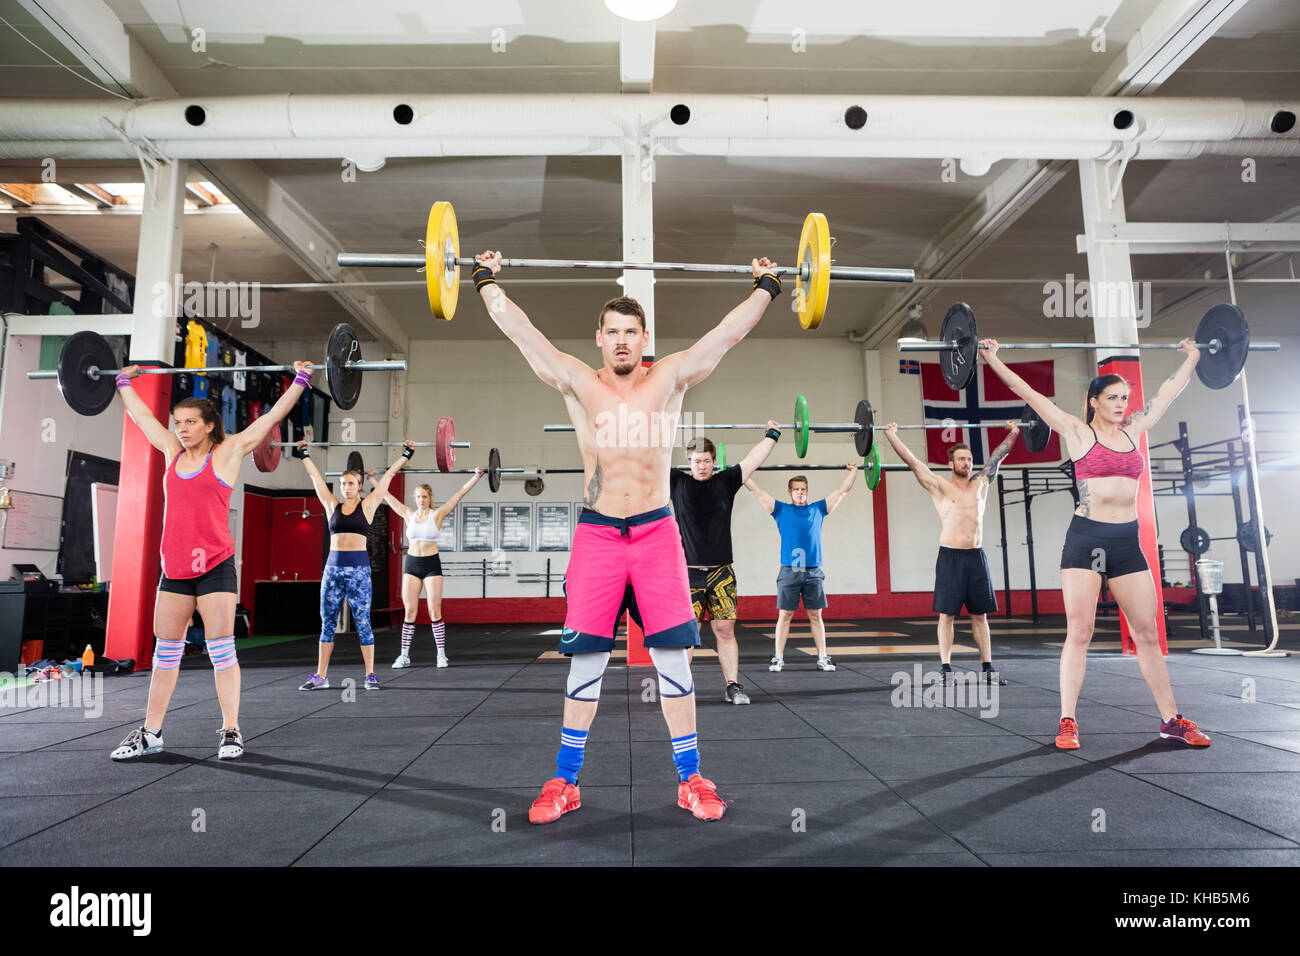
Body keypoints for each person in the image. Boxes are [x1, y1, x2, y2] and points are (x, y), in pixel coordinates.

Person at [471, 247, 783, 824]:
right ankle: (565, 782)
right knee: (585, 660)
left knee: (674, 658)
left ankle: (691, 779)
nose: (621, 341)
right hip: (597, 536)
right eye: (612, 331)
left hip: (658, 535)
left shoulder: (669, 378)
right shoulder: (576, 382)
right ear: (599, 338)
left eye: (631, 332)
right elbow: (522, 332)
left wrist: (767, 285)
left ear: (644, 338)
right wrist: (486, 279)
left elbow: (725, 335)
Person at [979, 337, 1211, 749]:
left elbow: (1168, 393)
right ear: (1094, 401)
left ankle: (1170, 719)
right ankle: (1067, 721)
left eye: (1125, 397)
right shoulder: (1075, 431)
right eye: (1113, 397)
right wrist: (992, 358)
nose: (1123, 404)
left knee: (1148, 633)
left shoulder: (1135, 430)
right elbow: (1026, 391)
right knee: (1081, 631)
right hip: (1085, 539)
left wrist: (1193, 356)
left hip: (1127, 541)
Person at [110, 360, 312, 762]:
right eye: (178, 422)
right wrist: (121, 383)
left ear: (208, 425)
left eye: (188, 422)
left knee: (222, 652)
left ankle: (231, 731)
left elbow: (271, 417)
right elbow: (143, 418)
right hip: (174, 570)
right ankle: (151, 733)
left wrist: (302, 381)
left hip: (216, 566)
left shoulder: (229, 451)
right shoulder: (170, 451)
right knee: (166, 654)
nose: (181, 428)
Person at [881, 420, 1020, 685]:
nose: (967, 463)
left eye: (969, 459)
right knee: (947, 616)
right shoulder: (938, 486)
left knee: (980, 616)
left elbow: (998, 456)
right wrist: (891, 435)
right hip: (951, 558)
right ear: (950, 463)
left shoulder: (981, 483)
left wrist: (1014, 433)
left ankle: (988, 669)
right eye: (961, 459)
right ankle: (946, 670)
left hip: (976, 558)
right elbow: (912, 461)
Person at [669, 429, 779, 705]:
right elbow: (647, 459)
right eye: (696, 461)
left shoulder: (726, 481)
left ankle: (733, 686)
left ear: (714, 461)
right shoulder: (675, 482)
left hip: (721, 572)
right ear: (688, 461)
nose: (702, 466)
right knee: (687, 632)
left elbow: (754, 459)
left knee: (725, 629)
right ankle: (682, 688)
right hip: (688, 573)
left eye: (706, 460)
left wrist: (773, 434)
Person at [296, 440, 413, 692]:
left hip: (359, 572)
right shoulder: (331, 506)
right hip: (333, 571)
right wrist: (304, 454)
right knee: (327, 622)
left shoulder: (368, 505)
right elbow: (316, 478)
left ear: (359, 486)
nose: (345, 488)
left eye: (350, 484)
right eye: (342, 484)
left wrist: (406, 454)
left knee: (362, 622)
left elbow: (389, 476)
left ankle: (370, 675)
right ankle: (321, 676)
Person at [743, 466, 858, 672]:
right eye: (796, 489)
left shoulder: (818, 509)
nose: (800, 493)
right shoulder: (780, 510)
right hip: (790, 571)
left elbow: (841, 491)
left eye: (803, 489)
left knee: (816, 615)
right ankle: (778, 658)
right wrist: (742, 474)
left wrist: (854, 471)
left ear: (807, 491)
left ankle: (823, 657)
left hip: (813, 572)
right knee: (785, 615)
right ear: (789, 492)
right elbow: (756, 492)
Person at [384, 471, 483, 668]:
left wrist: (476, 476)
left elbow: (459, 494)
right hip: (412, 564)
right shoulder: (408, 514)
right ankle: (404, 656)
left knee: (434, 609)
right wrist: (372, 479)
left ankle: (441, 655)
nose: (421, 500)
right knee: (410, 611)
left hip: (431, 564)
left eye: (425, 497)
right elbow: (387, 496)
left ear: (430, 499)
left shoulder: (437, 514)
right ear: (415, 498)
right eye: (419, 497)